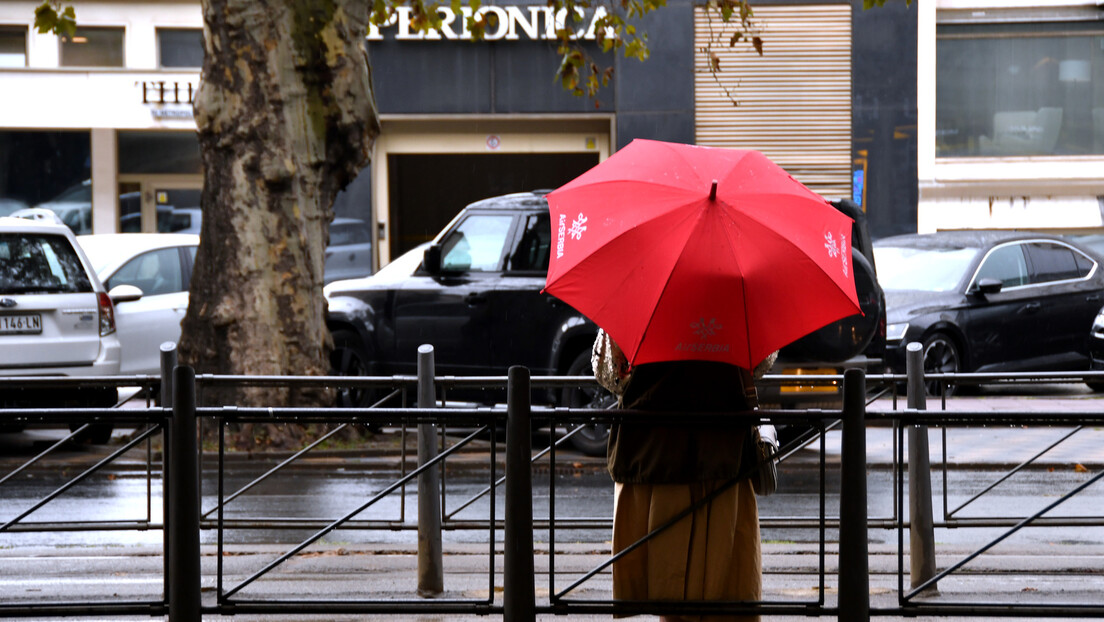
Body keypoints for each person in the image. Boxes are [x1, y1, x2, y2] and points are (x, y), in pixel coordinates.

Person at [592, 329, 776, 622]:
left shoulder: (644, 296)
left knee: (669, 590)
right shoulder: (734, 294)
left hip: (656, 454)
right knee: (720, 589)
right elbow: (762, 363)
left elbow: (610, 374)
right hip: (721, 453)